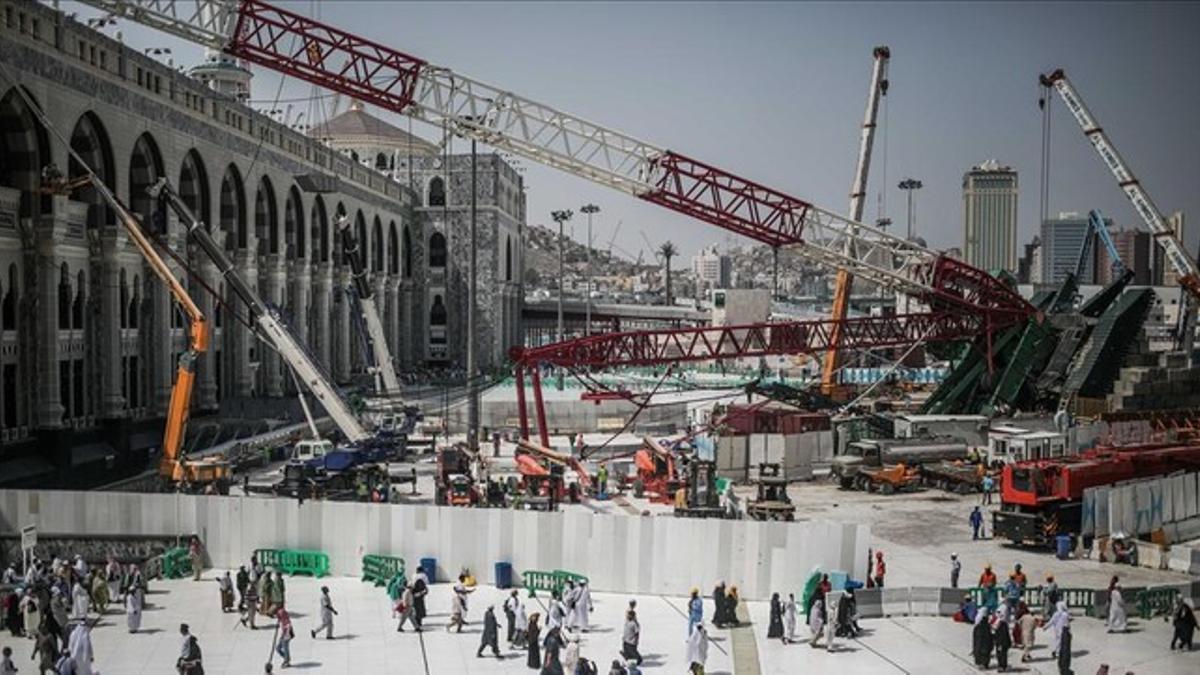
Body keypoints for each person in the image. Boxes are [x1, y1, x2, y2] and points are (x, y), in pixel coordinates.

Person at [992, 602, 1011, 672]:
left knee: (1002, 653)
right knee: (1001, 654)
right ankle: (1002, 665)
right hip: (1001, 642)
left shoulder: (1001, 624)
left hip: (1001, 642)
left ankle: (1002, 666)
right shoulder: (1001, 623)